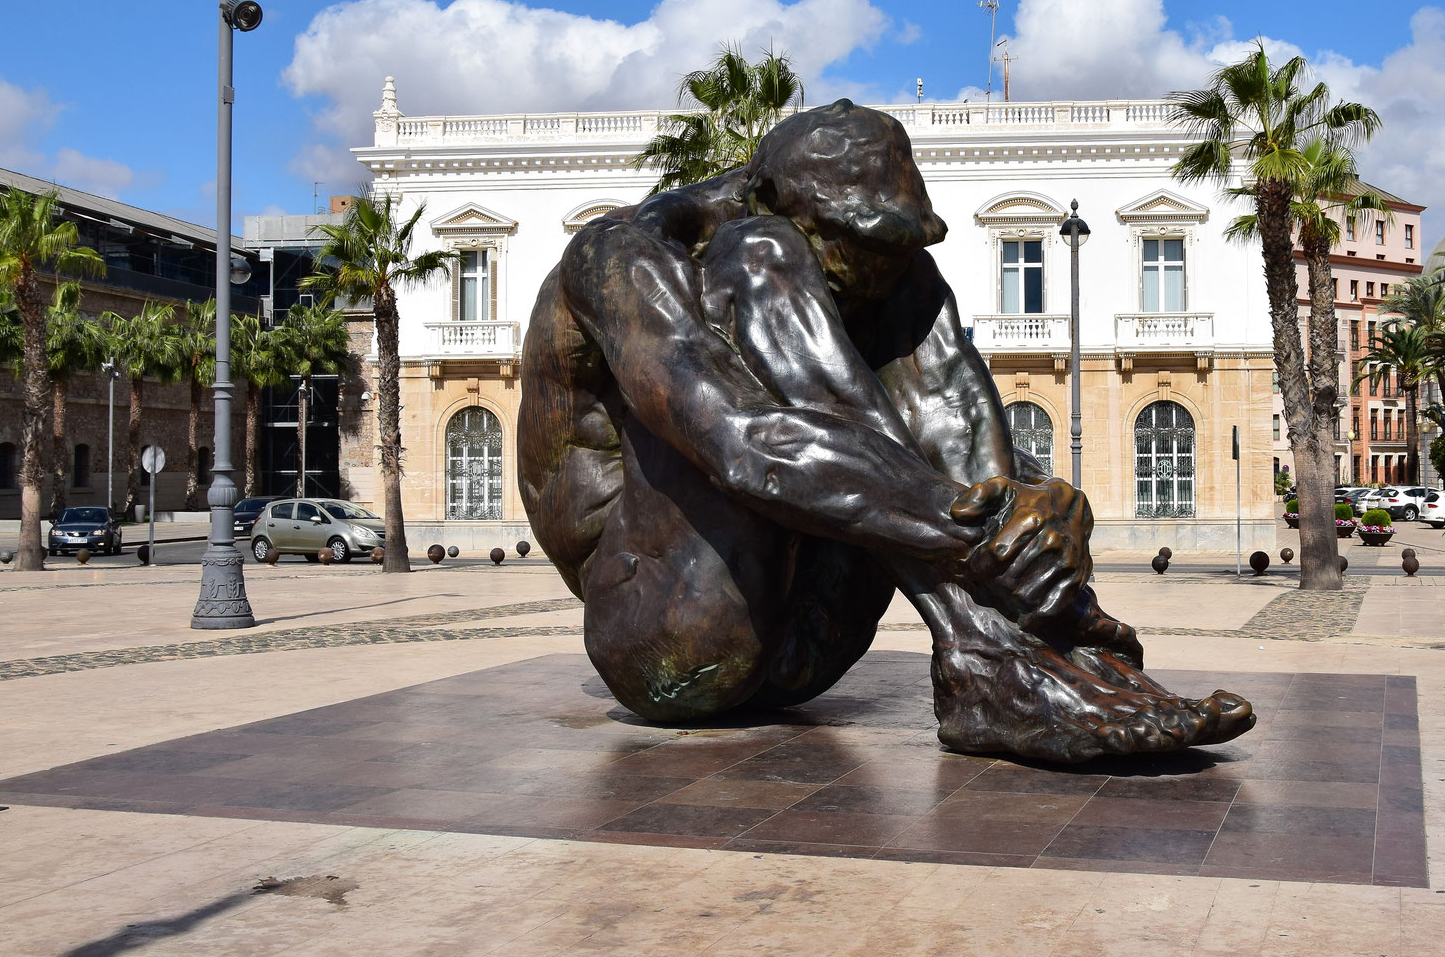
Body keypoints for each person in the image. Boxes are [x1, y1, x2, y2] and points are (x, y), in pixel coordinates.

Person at [517, 100, 1252, 763]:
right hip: (672, 636)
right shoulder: (619, 257)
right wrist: (984, 530)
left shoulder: (892, 274)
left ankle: (1023, 643)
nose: (877, 271)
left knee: (914, 295)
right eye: (856, 246)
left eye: (895, 243)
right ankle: (994, 653)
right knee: (762, 259)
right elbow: (744, 445)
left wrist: (1037, 510)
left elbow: (943, 425)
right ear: (767, 197)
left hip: (813, 642)